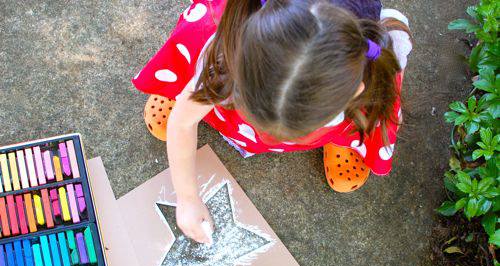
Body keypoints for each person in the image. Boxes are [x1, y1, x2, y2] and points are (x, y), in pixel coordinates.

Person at [132, 0, 413, 243]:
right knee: (197, 88)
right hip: (238, 62)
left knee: (362, 121)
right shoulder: (225, 52)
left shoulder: (371, 75)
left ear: (354, 90)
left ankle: (342, 141)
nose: (268, 136)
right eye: (247, 106)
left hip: (347, 75)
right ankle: (181, 91)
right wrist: (187, 197)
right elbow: (181, 124)